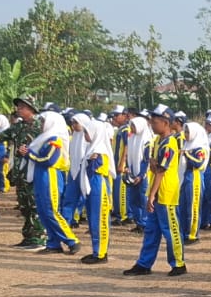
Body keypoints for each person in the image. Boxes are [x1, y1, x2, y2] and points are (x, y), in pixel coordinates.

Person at [124, 106, 186, 276]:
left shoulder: (170, 143)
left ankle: (178, 263)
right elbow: (154, 166)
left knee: (170, 229)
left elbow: (161, 170)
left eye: (155, 121)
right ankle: (144, 263)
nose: (151, 124)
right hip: (156, 189)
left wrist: (151, 195)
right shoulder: (158, 141)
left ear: (166, 123)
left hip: (166, 192)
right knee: (152, 230)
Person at [25, 110, 80, 256]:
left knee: (51, 210)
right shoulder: (45, 138)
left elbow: (49, 160)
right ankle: (53, 243)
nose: (41, 125)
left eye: (44, 121)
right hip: (41, 176)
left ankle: (71, 240)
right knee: (43, 211)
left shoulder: (55, 138)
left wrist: (29, 154)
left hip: (50, 176)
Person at [73, 111, 114, 262]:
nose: (85, 134)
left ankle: (101, 253)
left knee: (99, 219)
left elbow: (93, 170)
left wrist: (89, 161)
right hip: (92, 185)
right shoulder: (92, 150)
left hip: (98, 186)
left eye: (87, 132)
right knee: (92, 219)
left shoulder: (100, 151)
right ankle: (96, 250)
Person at [6, 96, 46, 248]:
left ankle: (39, 238)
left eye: (22, 107)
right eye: (19, 107)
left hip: (35, 171)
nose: (19, 109)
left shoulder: (41, 127)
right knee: (25, 207)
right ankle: (28, 237)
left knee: (35, 205)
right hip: (21, 173)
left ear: (31, 109)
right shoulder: (18, 127)